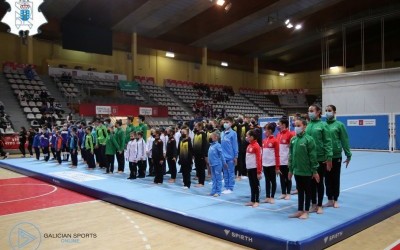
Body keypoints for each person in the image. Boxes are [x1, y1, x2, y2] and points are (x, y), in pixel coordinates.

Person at [288, 119, 319, 219]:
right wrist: (290, 170)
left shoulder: (309, 140)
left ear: (304, 126)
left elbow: (313, 156)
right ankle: (300, 210)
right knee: (300, 191)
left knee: (307, 191)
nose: (296, 127)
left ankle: (306, 211)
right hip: (297, 171)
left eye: (298, 125)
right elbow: (291, 155)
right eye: (295, 125)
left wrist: (314, 171)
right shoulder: (293, 140)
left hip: (306, 171)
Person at [306, 104, 333, 214]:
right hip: (309, 160)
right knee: (311, 183)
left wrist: (329, 158)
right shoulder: (307, 126)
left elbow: (327, 142)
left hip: (321, 159)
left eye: (311, 110)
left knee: (319, 182)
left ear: (318, 112)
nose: (309, 112)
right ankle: (314, 204)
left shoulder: (323, 125)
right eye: (309, 110)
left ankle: (320, 205)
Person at [324, 105, 352, 208]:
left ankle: (335, 199)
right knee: (327, 179)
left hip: (336, 156)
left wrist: (348, 155)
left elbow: (345, 140)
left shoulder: (339, 125)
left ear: (334, 112)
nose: (327, 112)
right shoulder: (323, 125)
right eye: (326, 111)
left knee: (335, 178)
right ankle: (329, 199)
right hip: (326, 157)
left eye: (329, 110)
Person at [276, 117, 295, 200]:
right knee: (281, 177)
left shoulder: (290, 134)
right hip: (280, 160)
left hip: (287, 160)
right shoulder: (278, 134)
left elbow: (292, 148)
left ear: (283, 125)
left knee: (288, 177)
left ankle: (288, 193)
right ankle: (283, 192)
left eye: (279, 124)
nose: (278, 126)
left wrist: (291, 159)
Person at [262, 123, 280, 204]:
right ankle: (267, 196)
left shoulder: (275, 140)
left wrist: (277, 167)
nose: (264, 131)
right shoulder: (264, 140)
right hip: (265, 164)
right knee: (267, 181)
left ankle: (272, 196)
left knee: (273, 181)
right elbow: (263, 154)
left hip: (272, 164)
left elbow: (277, 155)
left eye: (265, 129)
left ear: (269, 130)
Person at [220, 117, 238, 194]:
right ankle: (226, 187)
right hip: (223, 157)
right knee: (225, 173)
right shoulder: (222, 133)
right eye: (224, 122)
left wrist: (236, 156)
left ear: (231, 123)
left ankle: (230, 188)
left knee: (230, 172)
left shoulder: (233, 133)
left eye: (227, 122)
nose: (225, 124)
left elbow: (235, 145)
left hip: (230, 156)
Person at [245, 129, 262, 208]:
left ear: (252, 137)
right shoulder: (249, 145)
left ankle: (257, 200)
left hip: (255, 169)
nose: (246, 138)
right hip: (250, 168)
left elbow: (259, 159)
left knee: (256, 185)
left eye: (247, 136)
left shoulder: (256, 146)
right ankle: (252, 200)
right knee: (251, 185)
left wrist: (259, 171)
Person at [208, 130, 226, 197]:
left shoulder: (218, 145)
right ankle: (213, 191)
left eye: (211, 136)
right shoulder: (211, 145)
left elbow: (221, 154)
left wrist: (224, 163)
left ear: (216, 137)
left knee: (218, 178)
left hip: (217, 164)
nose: (210, 138)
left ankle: (218, 191)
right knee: (213, 178)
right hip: (212, 164)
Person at [192, 122, 208, 187]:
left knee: (201, 168)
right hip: (196, 154)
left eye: (196, 126)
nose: (195, 127)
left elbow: (205, 145)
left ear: (200, 127)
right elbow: (194, 145)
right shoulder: (195, 134)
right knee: (197, 167)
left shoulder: (203, 134)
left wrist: (205, 155)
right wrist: (193, 154)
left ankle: (201, 182)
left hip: (201, 154)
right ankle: (199, 180)